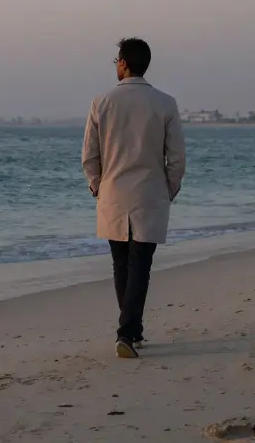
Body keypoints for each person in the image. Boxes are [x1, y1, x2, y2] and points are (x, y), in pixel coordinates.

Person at [81, 37, 186, 359]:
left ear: (124, 63)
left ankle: (128, 331)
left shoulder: (101, 102)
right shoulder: (165, 103)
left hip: (113, 194)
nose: (116, 65)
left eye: (117, 60)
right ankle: (130, 331)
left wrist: (96, 186)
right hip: (150, 194)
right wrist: (169, 189)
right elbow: (176, 157)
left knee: (121, 264)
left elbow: (90, 156)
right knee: (140, 265)